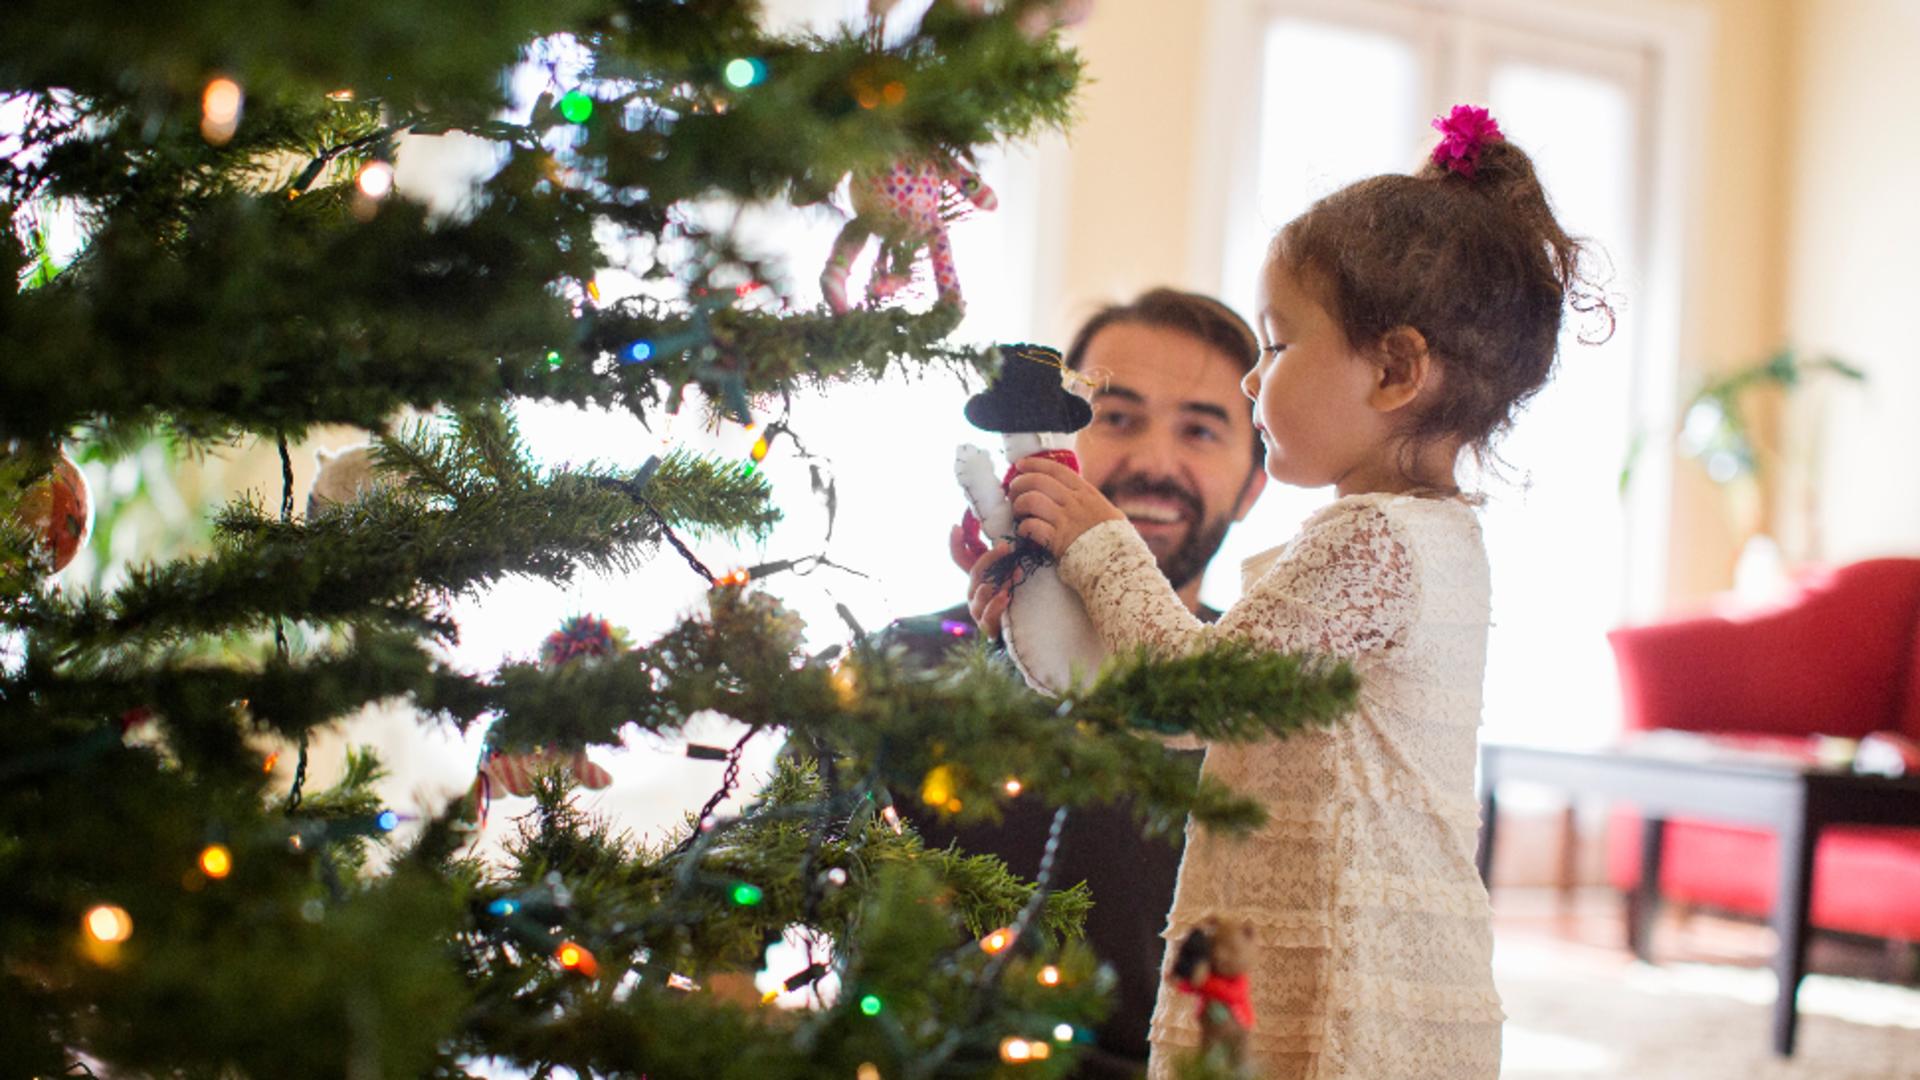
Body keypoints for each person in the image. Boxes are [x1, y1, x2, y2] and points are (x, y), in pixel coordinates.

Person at [980, 106, 1609, 1079]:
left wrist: (1103, 541)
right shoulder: (1408, 537)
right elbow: (1175, 710)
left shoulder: (1378, 545)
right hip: (1279, 935)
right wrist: (1045, 614)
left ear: (1394, 368)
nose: (1252, 384)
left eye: (1275, 348)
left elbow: (1195, 694)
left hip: (1344, 980)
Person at [884, 287, 1268, 1078]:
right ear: (1046, 438)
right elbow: (747, 893)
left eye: (1200, 429)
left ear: (1252, 483)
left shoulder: (1267, 704)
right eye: (1115, 418)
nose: (1155, 463)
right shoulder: (907, 666)